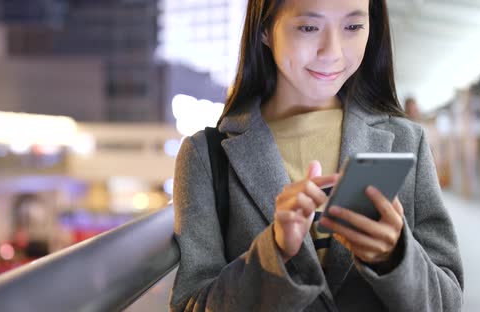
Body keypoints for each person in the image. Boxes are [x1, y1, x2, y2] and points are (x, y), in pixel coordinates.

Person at [170, 0, 463, 311]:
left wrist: (395, 257)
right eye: (309, 27)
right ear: (265, 30)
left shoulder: (407, 141)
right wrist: (275, 254)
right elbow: (192, 305)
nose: (333, 52)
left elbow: (449, 302)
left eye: (353, 26)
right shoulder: (206, 157)